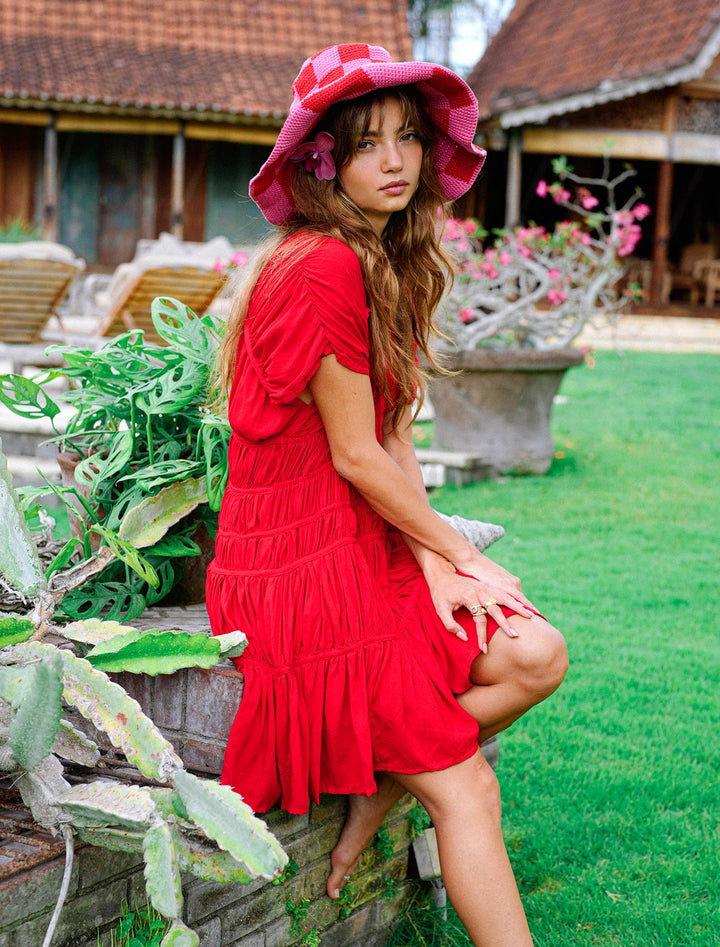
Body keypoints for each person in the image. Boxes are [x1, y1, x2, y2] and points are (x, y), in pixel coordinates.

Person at [207, 43, 568, 946]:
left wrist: (431, 562)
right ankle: (413, 768)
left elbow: (395, 435)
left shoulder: (378, 257)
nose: (398, 161)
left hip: (356, 542)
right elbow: (358, 456)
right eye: (369, 144)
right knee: (469, 782)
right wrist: (457, 550)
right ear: (323, 159)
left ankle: (383, 772)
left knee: (535, 651)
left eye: (409, 137)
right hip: (295, 568)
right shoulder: (322, 264)